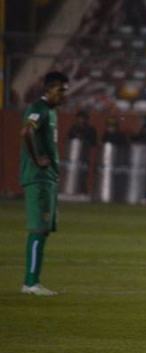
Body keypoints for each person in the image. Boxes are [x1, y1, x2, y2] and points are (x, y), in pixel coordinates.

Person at [19, 71, 69, 296]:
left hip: (47, 178)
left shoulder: (50, 111)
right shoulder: (38, 109)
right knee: (39, 228)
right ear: (49, 89)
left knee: (44, 230)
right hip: (38, 178)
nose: (63, 95)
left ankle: (33, 281)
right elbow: (26, 131)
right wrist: (37, 158)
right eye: (61, 90)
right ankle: (30, 283)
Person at [66, 110, 97, 195]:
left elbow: (93, 142)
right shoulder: (73, 128)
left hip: (85, 154)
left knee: (83, 173)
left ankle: (82, 190)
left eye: (83, 118)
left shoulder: (90, 129)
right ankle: (70, 188)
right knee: (72, 172)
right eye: (79, 118)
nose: (81, 120)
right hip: (73, 154)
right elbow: (69, 139)